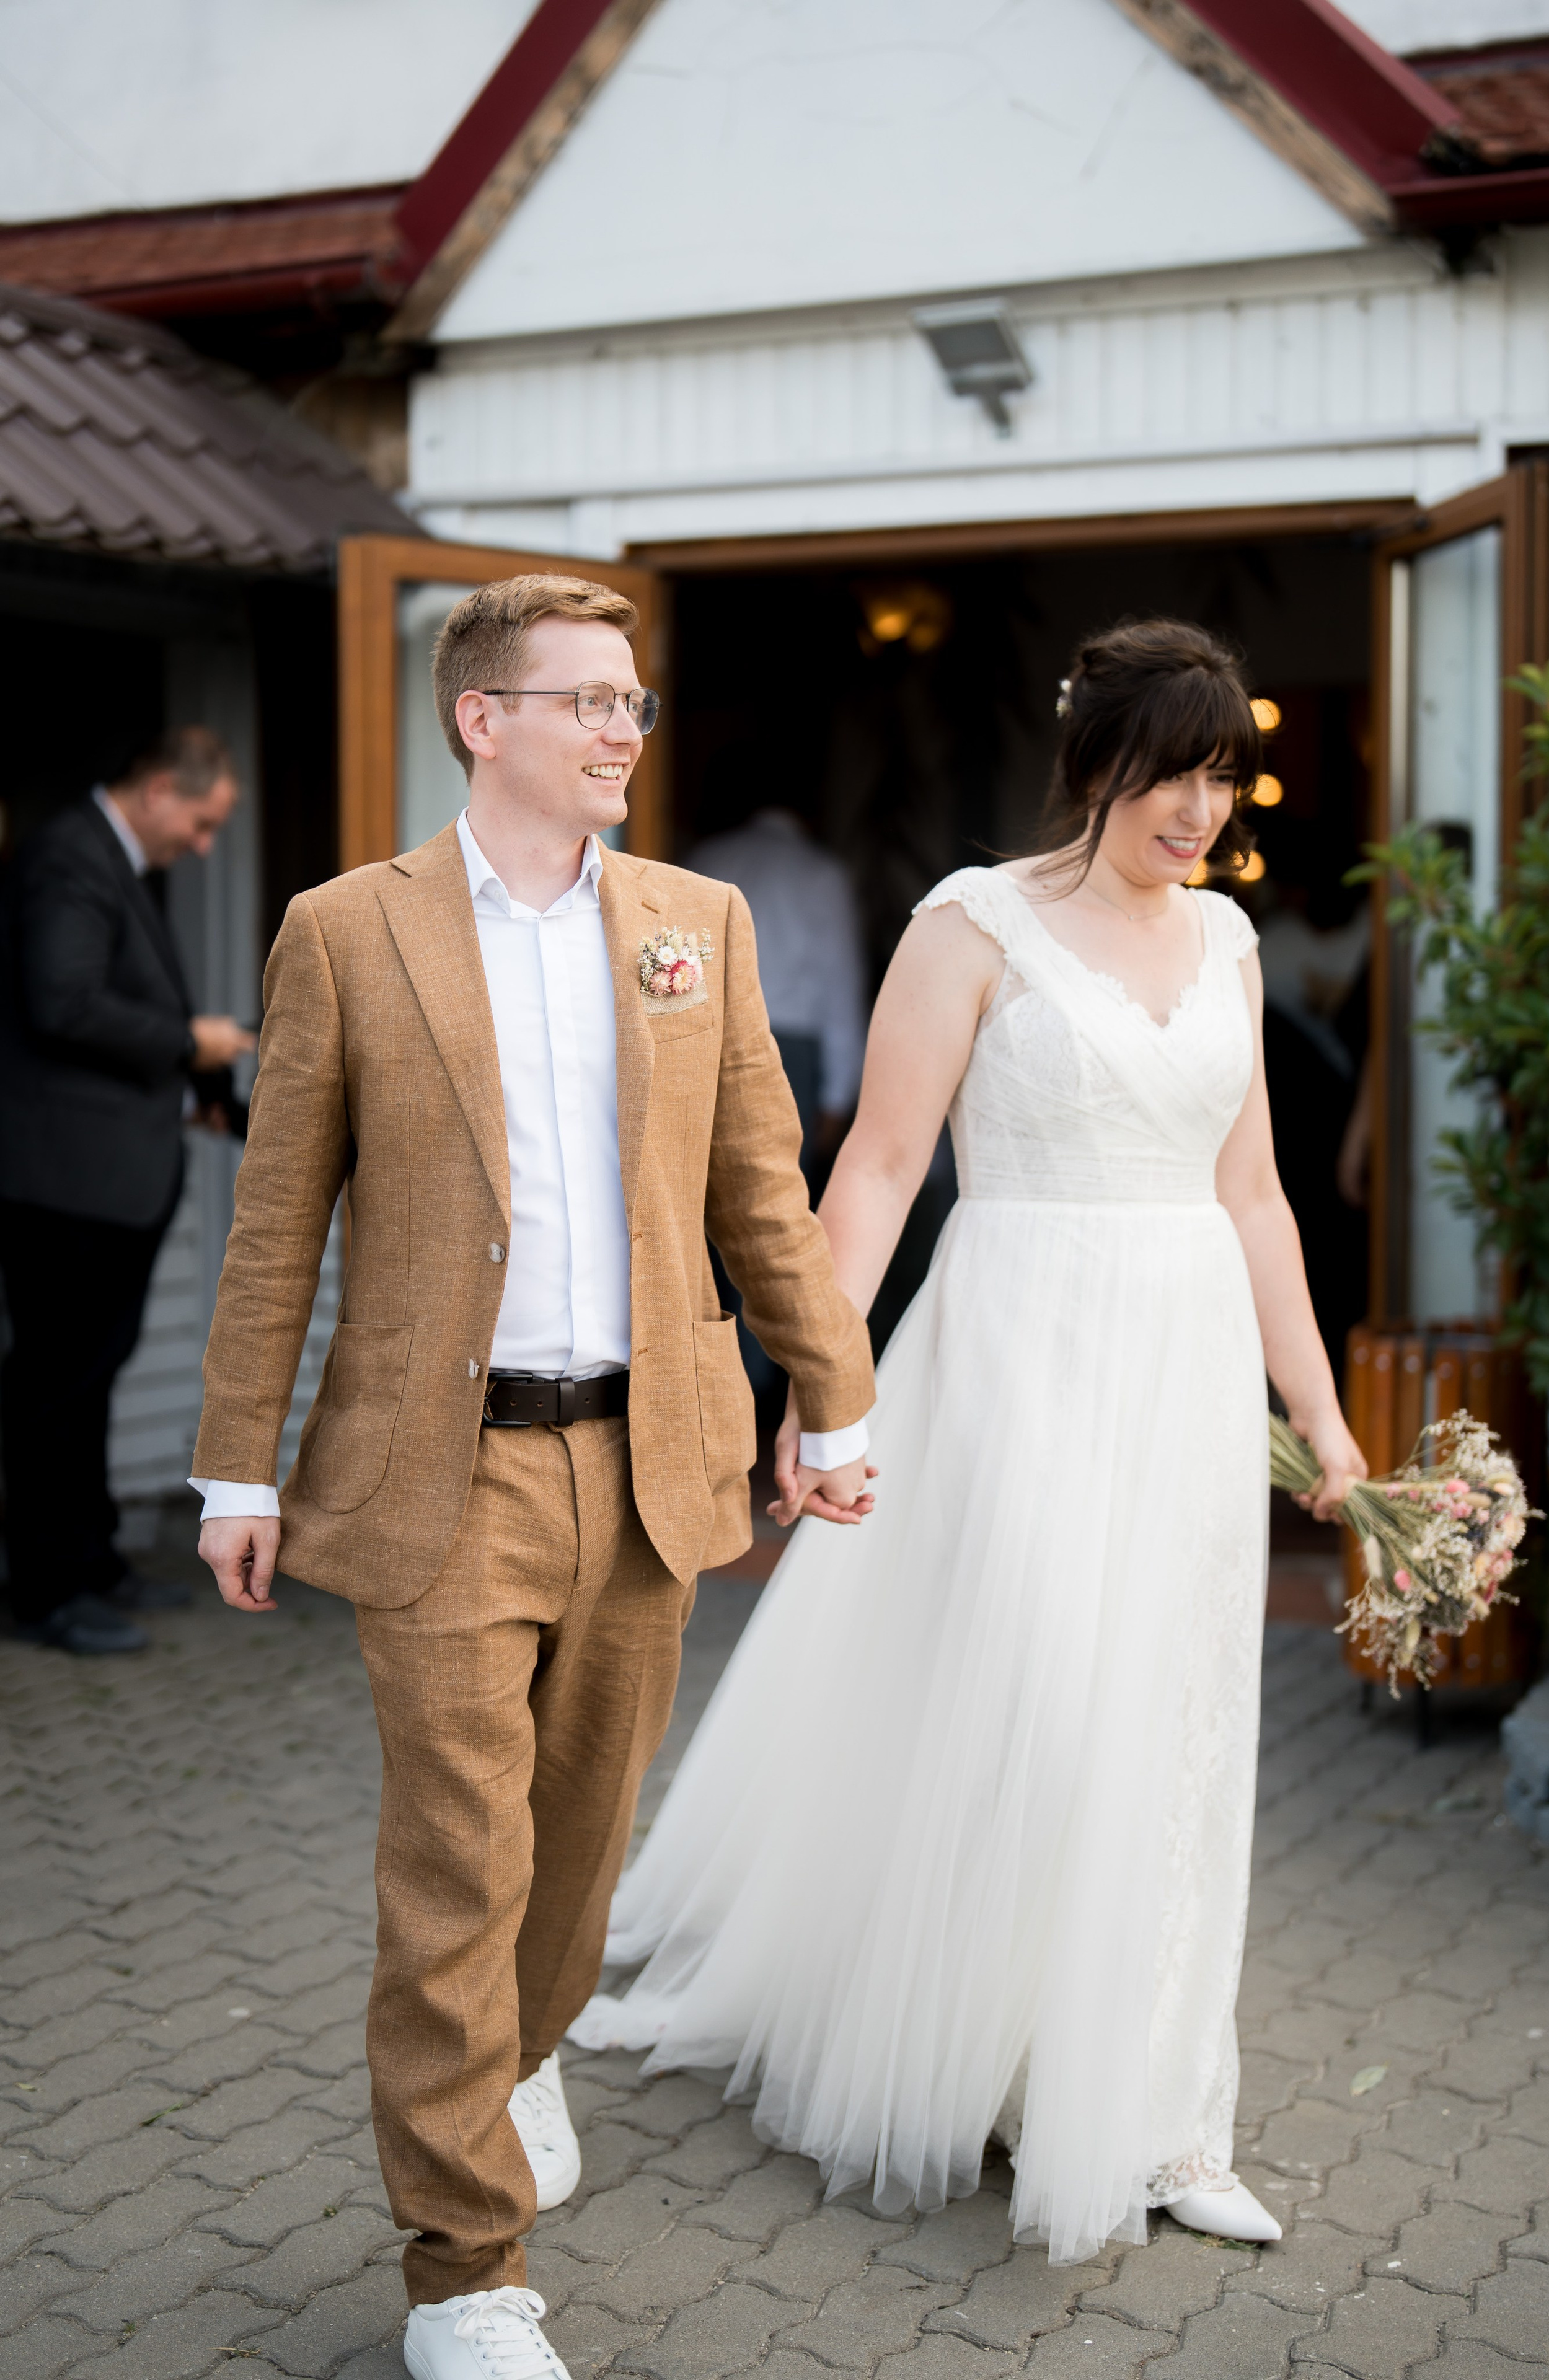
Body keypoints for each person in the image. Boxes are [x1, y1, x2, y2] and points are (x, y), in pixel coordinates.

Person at [570, 620, 1367, 2262]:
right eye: (1174, 769)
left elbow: (1257, 1198)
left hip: (1187, 1361)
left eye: (1224, 774)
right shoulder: (971, 923)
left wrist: (1326, 1419)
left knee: (1176, 1732)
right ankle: (1004, 2066)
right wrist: (815, 1380)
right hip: (1015, 1349)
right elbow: (872, 1171)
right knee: (1048, 1709)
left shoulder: (1226, 941)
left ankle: (1156, 2111)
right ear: (1094, 764)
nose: (1201, 807)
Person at [188, 575, 876, 2380]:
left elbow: (758, 1187)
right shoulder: (349, 931)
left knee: (575, 1870)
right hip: (441, 1476)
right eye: (585, 701)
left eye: (634, 704)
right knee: (457, 1866)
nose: (622, 733)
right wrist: (233, 1470)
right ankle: (466, 2273)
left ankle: (518, 2050)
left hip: (651, 1463)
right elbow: (276, 1229)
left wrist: (835, 1398)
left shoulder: (694, 925)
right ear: (480, 719)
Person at [0, 728, 252, 1655]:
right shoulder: (72, 857)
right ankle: (49, 1590)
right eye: (202, 820)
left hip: (104, 1177)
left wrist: (201, 1093)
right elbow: (62, 1004)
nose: (203, 844)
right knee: (57, 1386)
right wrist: (193, 1042)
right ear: (155, 790)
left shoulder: (108, 859)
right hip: (68, 1183)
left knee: (90, 1377)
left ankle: (92, 1558)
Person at [690, 793, 867, 1163]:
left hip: (707, 1039)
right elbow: (840, 986)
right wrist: (838, 1098)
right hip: (791, 1055)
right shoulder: (821, 872)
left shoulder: (706, 857)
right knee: (782, 1191)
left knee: (704, 1190)